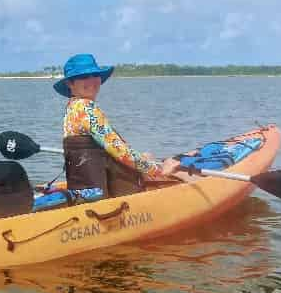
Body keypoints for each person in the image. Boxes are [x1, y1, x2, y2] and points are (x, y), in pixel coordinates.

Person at [54, 53, 188, 196]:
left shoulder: (72, 107)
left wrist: (144, 160)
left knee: (147, 155)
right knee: (160, 165)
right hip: (102, 189)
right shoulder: (87, 109)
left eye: (95, 75)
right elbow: (119, 150)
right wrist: (157, 170)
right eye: (84, 77)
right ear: (70, 83)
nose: (92, 81)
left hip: (84, 183)